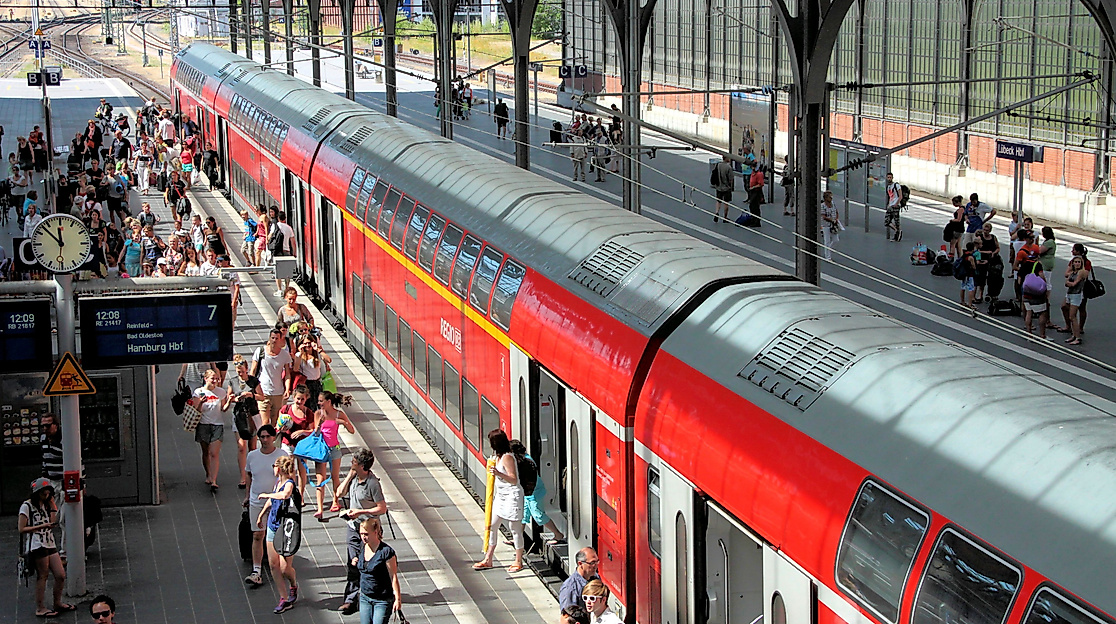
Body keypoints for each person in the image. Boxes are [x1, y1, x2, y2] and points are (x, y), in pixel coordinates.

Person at [336, 449, 389, 614]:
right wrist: (349, 477)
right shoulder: (353, 479)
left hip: (368, 530)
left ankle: (376, 593)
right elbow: (339, 493)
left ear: (362, 465)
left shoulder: (372, 484)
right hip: (353, 528)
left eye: (354, 462)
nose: (351, 464)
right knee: (353, 562)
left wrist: (360, 512)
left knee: (369, 564)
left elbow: (382, 507)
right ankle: (350, 599)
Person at [19, 479, 73, 618]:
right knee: (43, 575)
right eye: (43, 493)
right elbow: (21, 528)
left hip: (49, 542)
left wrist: (53, 505)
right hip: (37, 544)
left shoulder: (46, 504)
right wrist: (40, 527)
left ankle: (57, 602)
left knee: (60, 575)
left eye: (48, 493)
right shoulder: (27, 506)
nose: (46, 495)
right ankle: (40, 607)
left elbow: (52, 522)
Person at [473, 429, 525, 573]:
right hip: (501, 496)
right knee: (492, 525)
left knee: (515, 529)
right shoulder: (497, 457)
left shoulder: (507, 457)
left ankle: (518, 561)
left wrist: (498, 473)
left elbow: (513, 479)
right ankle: (488, 558)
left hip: (512, 496)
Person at [243, 424, 288, 587]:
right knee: (257, 535)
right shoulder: (252, 456)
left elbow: (289, 477)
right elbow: (248, 475)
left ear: (274, 438)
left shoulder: (281, 455)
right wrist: (247, 495)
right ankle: (257, 570)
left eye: (268, 436)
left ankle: (279, 565)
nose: (264, 440)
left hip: (277, 503)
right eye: (261, 437)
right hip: (257, 501)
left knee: (276, 534)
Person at [257, 455, 301, 614]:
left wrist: (267, 495)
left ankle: (293, 584)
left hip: (286, 528)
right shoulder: (278, 483)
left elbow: (284, 496)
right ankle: (284, 598)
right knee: (273, 565)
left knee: (284, 567)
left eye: (274, 467)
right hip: (272, 526)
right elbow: (273, 500)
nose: (273, 470)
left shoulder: (289, 483)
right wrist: (262, 513)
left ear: (279, 468)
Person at [508, 439, 564, 548]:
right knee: (523, 515)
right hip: (529, 492)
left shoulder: (526, 462)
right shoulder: (525, 458)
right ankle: (517, 538)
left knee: (538, 515)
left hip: (534, 492)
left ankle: (558, 534)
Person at [312, 391, 356, 520]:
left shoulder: (338, 414)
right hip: (321, 449)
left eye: (321, 401)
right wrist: (320, 423)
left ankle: (335, 501)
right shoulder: (318, 414)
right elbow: (315, 434)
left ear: (328, 402)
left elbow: (352, 430)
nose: (319, 403)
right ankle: (320, 508)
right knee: (320, 478)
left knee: (334, 476)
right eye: (319, 401)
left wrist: (343, 423)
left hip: (334, 449)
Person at [353, 517, 402, 624]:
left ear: (375, 532)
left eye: (366, 534)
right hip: (365, 596)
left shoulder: (386, 552)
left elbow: (393, 577)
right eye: (361, 534)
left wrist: (397, 599)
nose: (363, 537)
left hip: (382, 600)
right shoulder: (363, 547)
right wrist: (356, 560)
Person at [191, 369, 233, 492]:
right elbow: (196, 410)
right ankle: (208, 474)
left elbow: (223, 409)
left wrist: (229, 401)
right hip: (203, 424)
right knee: (206, 452)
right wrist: (200, 403)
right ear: (206, 379)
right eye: (212, 379)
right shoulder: (199, 392)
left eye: (217, 379)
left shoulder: (220, 392)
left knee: (214, 453)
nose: (215, 381)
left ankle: (214, 479)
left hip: (217, 425)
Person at [253, 328, 294, 425]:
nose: (274, 341)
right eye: (272, 338)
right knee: (265, 421)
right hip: (263, 390)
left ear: (280, 339)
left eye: (276, 338)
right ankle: (264, 438)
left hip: (278, 392)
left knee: (275, 421)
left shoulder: (284, 355)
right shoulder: (260, 351)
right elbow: (253, 370)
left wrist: (287, 389)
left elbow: (287, 374)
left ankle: (273, 440)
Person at [1061, 256, 1088, 346]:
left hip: (1076, 295)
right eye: (1075, 262)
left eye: (1079, 262)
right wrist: (1069, 283)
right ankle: (1074, 335)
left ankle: (1078, 337)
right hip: (1069, 294)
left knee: (1073, 316)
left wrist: (1069, 283)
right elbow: (1066, 283)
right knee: (1070, 316)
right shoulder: (1073, 272)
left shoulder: (1081, 272)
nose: (1077, 264)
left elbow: (1074, 283)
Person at [1022, 264, 1051, 338]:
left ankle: (1029, 332)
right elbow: (1042, 277)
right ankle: (1042, 334)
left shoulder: (1025, 262)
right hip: (1036, 295)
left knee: (1029, 312)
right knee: (1042, 313)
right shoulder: (1037, 265)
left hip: (1026, 293)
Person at [274, 211, 296, 295]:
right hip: (286, 250)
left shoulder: (275, 226)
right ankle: (287, 288)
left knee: (278, 270)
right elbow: (293, 241)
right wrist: (294, 252)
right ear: (285, 218)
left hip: (277, 251)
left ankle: (279, 289)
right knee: (287, 271)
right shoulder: (289, 228)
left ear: (278, 218)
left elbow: (270, 237)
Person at [712, 155, 734, 224]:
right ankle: (725, 217)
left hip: (719, 186)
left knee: (718, 201)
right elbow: (731, 179)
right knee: (726, 202)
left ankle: (717, 212)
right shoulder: (728, 167)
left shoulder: (718, 165)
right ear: (727, 158)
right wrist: (730, 186)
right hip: (726, 187)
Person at [820, 190, 841, 261]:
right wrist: (831, 219)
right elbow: (823, 216)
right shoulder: (822, 206)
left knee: (836, 240)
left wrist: (836, 219)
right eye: (830, 197)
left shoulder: (833, 204)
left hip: (834, 224)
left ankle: (828, 249)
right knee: (827, 240)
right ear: (826, 198)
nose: (831, 198)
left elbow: (836, 211)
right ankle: (828, 257)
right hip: (826, 225)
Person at [884, 172, 903, 241]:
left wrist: (896, 204)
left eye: (890, 177)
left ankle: (897, 235)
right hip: (891, 205)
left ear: (892, 178)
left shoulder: (896, 185)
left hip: (895, 206)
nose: (889, 179)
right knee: (887, 221)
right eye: (888, 177)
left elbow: (900, 196)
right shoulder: (888, 187)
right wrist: (889, 204)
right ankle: (896, 230)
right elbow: (890, 197)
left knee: (896, 221)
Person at [958, 242, 978, 310]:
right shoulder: (971, 257)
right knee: (971, 288)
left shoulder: (964, 255)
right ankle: (970, 303)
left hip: (964, 274)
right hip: (970, 274)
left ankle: (962, 301)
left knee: (963, 287)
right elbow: (974, 266)